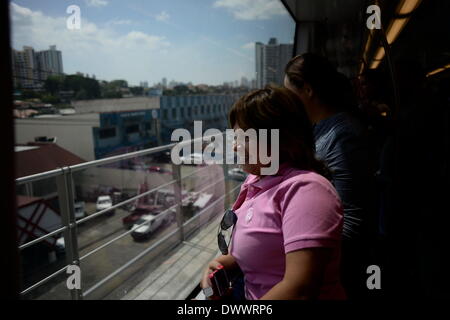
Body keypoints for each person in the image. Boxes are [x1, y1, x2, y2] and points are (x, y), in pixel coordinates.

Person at [200, 86, 346, 300]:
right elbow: (266, 251)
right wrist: (220, 267)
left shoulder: (306, 191)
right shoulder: (257, 182)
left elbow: (298, 289)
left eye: (245, 139)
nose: (235, 148)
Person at [284, 53, 376, 298]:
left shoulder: (342, 136)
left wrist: (304, 259)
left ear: (308, 90)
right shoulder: (321, 129)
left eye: (290, 93)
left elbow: (354, 219)